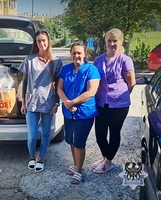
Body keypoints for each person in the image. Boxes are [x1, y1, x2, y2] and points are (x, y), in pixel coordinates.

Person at [92, 28, 136, 174]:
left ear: (121, 41)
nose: (112, 44)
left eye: (115, 40)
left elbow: (132, 83)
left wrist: (120, 95)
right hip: (101, 103)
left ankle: (108, 161)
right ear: (105, 42)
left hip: (119, 105)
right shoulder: (98, 60)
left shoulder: (125, 60)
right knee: (99, 134)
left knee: (114, 132)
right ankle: (106, 157)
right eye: (109, 41)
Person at [19, 29, 63, 172]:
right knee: (32, 135)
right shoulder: (30, 59)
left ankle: (41, 158)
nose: (41, 43)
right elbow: (24, 82)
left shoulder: (56, 61)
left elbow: (58, 84)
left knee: (45, 133)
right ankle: (32, 157)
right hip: (32, 102)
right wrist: (23, 102)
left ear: (48, 41)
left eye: (44, 40)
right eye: (39, 41)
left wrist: (57, 103)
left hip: (48, 101)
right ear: (36, 43)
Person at [57, 41, 100, 184]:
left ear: (85, 54)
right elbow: (59, 88)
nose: (76, 55)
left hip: (84, 113)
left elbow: (91, 92)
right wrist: (67, 103)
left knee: (79, 142)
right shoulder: (66, 69)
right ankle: (76, 164)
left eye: (79, 53)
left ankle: (80, 171)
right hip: (69, 111)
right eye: (74, 53)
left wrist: (73, 102)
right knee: (70, 139)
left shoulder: (91, 69)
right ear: (71, 55)